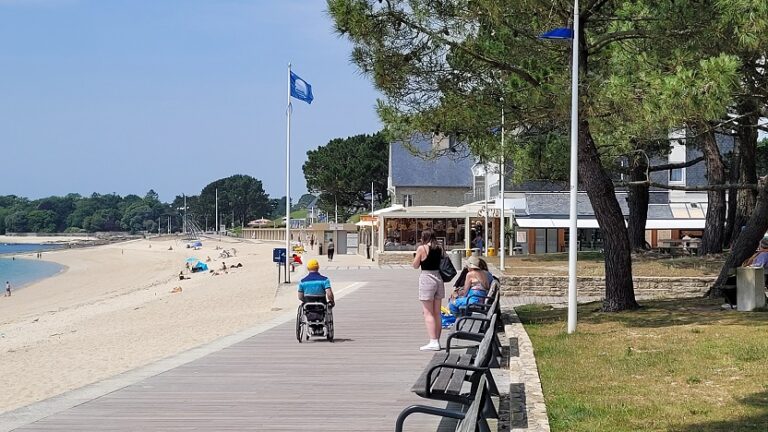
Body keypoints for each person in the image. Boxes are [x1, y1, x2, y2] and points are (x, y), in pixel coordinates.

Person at [412, 230, 445, 351]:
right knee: (437, 312)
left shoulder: (422, 248)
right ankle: (437, 339)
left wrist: (416, 257)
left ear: (423, 237)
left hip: (427, 278)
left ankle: (433, 341)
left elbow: (415, 265)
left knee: (428, 312)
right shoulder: (439, 248)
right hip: (438, 278)